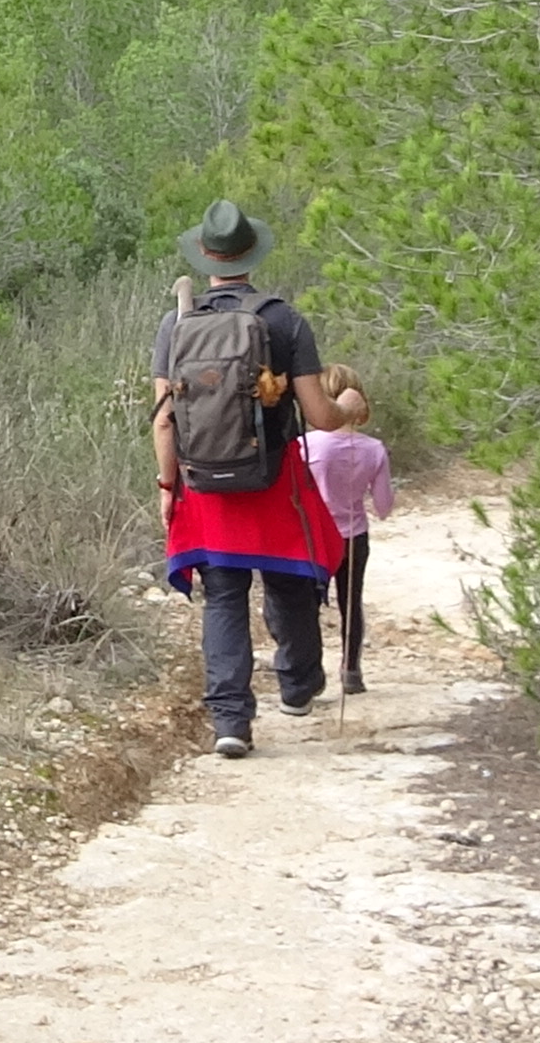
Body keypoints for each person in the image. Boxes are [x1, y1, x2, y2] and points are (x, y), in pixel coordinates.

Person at [149, 199, 345, 758]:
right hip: (274, 476)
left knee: (224, 597)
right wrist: (350, 405)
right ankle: (299, 685)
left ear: (204, 255)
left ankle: (231, 722)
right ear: (251, 255)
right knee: (289, 581)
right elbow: (321, 417)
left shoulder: (176, 324)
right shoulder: (285, 320)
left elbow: (165, 419)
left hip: (205, 482)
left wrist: (168, 488)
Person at [299, 363, 395, 698]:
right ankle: (351, 669)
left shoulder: (304, 446)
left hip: (313, 535)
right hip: (354, 534)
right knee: (351, 601)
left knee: (305, 604)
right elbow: (384, 505)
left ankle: (308, 672)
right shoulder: (373, 449)